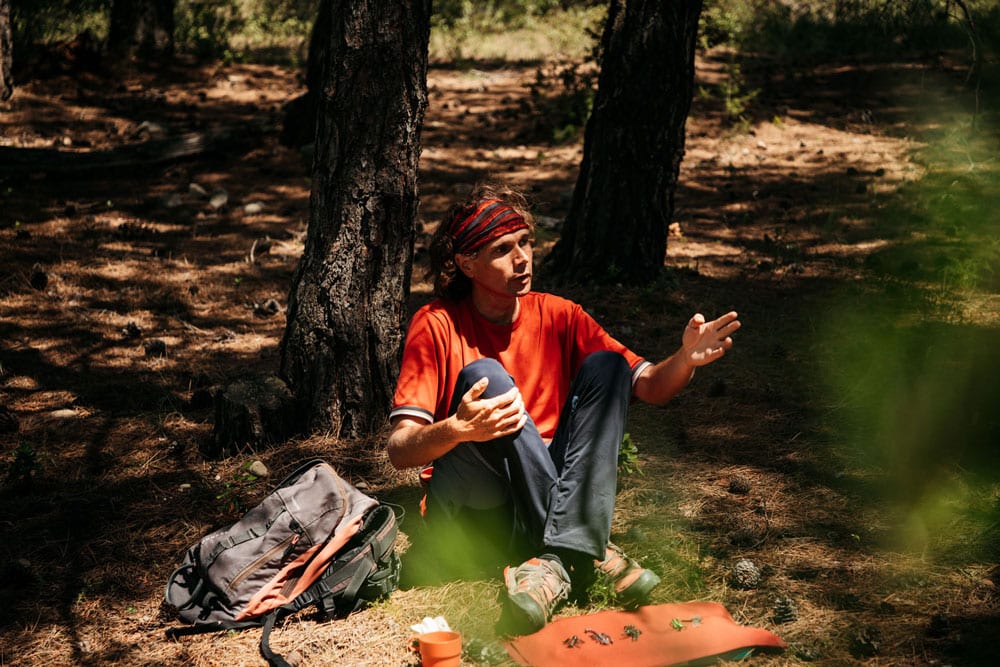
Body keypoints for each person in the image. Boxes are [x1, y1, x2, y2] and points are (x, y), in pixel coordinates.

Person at [387, 183, 740, 632]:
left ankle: (554, 561)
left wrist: (685, 359)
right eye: (502, 249)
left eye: (525, 243)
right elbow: (399, 450)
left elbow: (649, 386)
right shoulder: (435, 323)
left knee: (610, 366)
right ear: (466, 263)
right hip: (478, 514)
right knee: (486, 377)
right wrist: (457, 429)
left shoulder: (559, 315)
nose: (522, 258)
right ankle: (586, 550)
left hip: (535, 506)